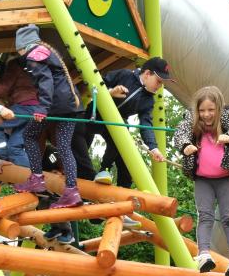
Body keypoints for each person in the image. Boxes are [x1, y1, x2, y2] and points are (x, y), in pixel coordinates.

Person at [172, 86, 229, 276]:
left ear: (219, 108)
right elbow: (180, 133)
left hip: (226, 179)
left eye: (211, 110)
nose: (206, 114)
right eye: (202, 110)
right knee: (205, 216)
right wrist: (185, 146)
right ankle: (203, 254)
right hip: (203, 179)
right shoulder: (191, 119)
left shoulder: (228, 115)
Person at [71, 57, 172, 189]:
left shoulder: (148, 100)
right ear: (147, 74)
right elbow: (96, 84)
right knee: (76, 131)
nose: (159, 86)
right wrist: (110, 92)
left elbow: (146, 125)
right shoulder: (125, 75)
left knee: (124, 140)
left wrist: (153, 148)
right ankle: (82, 174)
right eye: (158, 81)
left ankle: (105, 170)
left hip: (116, 124)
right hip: (94, 116)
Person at [11, 24, 83, 209]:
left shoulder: (33, 54)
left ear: (22, 46)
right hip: (70, 103)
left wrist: (42, 107)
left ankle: (37, 178)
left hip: (56, 105)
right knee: (64, 146)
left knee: (29, 135)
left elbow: (46, 80)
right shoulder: (46, 51)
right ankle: (72, 190)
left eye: (18, 49)